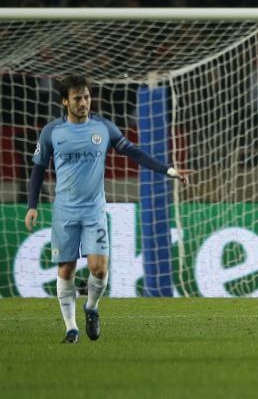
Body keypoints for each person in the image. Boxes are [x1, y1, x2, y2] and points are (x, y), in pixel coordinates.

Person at [24, 75, 192, 344]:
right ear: (65, 101)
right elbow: (38, 169)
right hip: (64, 211)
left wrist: (168, 170)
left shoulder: (103, 128)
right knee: (66, 269)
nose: (84, 103)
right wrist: (32, 206)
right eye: (78, 98)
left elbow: (134, 152)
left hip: (94, 211)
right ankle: (71, 329)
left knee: (99, 268)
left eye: (87, 97)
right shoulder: (52, 132)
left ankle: (91, 307)